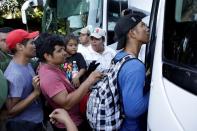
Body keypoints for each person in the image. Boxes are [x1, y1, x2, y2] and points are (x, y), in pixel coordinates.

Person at [37, 34, 102, 131]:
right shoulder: (49, 76)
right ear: (47, 56)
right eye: (59, 51)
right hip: (70, 124)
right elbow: (67, 103)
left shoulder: (55, 66)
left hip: (75, 118)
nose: (65, 53)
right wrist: (89, 81)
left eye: (63, 49)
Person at [114, 12, 150, 131]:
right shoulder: (135, 66)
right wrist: (154, 92)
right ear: (132, 33)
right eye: (142, 25)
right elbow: (133, 110)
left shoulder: (119, 56)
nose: (147, 28)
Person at [4, 29, 44, 131]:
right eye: (31, 43)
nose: (35, 46)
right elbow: (11, 111)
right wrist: (35, 93)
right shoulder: (15, 74)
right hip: (24, 125)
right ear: (19, 47)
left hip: (34, 121)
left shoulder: (27, 64)